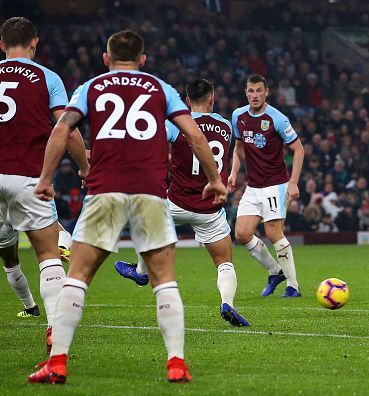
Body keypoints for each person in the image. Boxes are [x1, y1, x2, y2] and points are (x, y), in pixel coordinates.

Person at [28, 30, 226, 384]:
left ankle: (57, 361)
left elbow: (61, 130)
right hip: (150, 194)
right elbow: (195, 135)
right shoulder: (160, 88)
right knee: (164, 280)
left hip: (105, 192)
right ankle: (176, 363)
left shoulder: (91, 87)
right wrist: (215, 178)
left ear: (106, 58)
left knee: (78, 276)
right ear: (143, 58)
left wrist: (45, 178)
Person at [114, 77, 249, 327]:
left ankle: (142, 271)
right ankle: (227, 303)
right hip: (210, 209)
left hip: (175, 203)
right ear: (212, 98)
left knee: (143, 220)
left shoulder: (175, 124)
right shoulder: (225, 125)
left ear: (187, 100)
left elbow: (154, 148)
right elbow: (202, 153)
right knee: (224, 264)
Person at [0, 17, 88, 345]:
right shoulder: (47, 78)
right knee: (48, 254)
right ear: (34, 42)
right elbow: (66, 129)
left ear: (1, 45)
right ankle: (54, 327)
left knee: (7, 252)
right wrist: (85, 169)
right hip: (27, 176)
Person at [229, 74, 304, 298]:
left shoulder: (277, 119)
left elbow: (299, 150)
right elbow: (238, 147)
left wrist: (293, 182)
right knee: (241, 234)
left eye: (259, 91)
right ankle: (275, 271)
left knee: (273, 232)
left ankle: (293, 286)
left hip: (276, 184)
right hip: (253, 186)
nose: (254, 95)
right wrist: (234, 172)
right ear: (246, 93)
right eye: (251, 91)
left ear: (266, 92)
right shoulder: (238, 116)